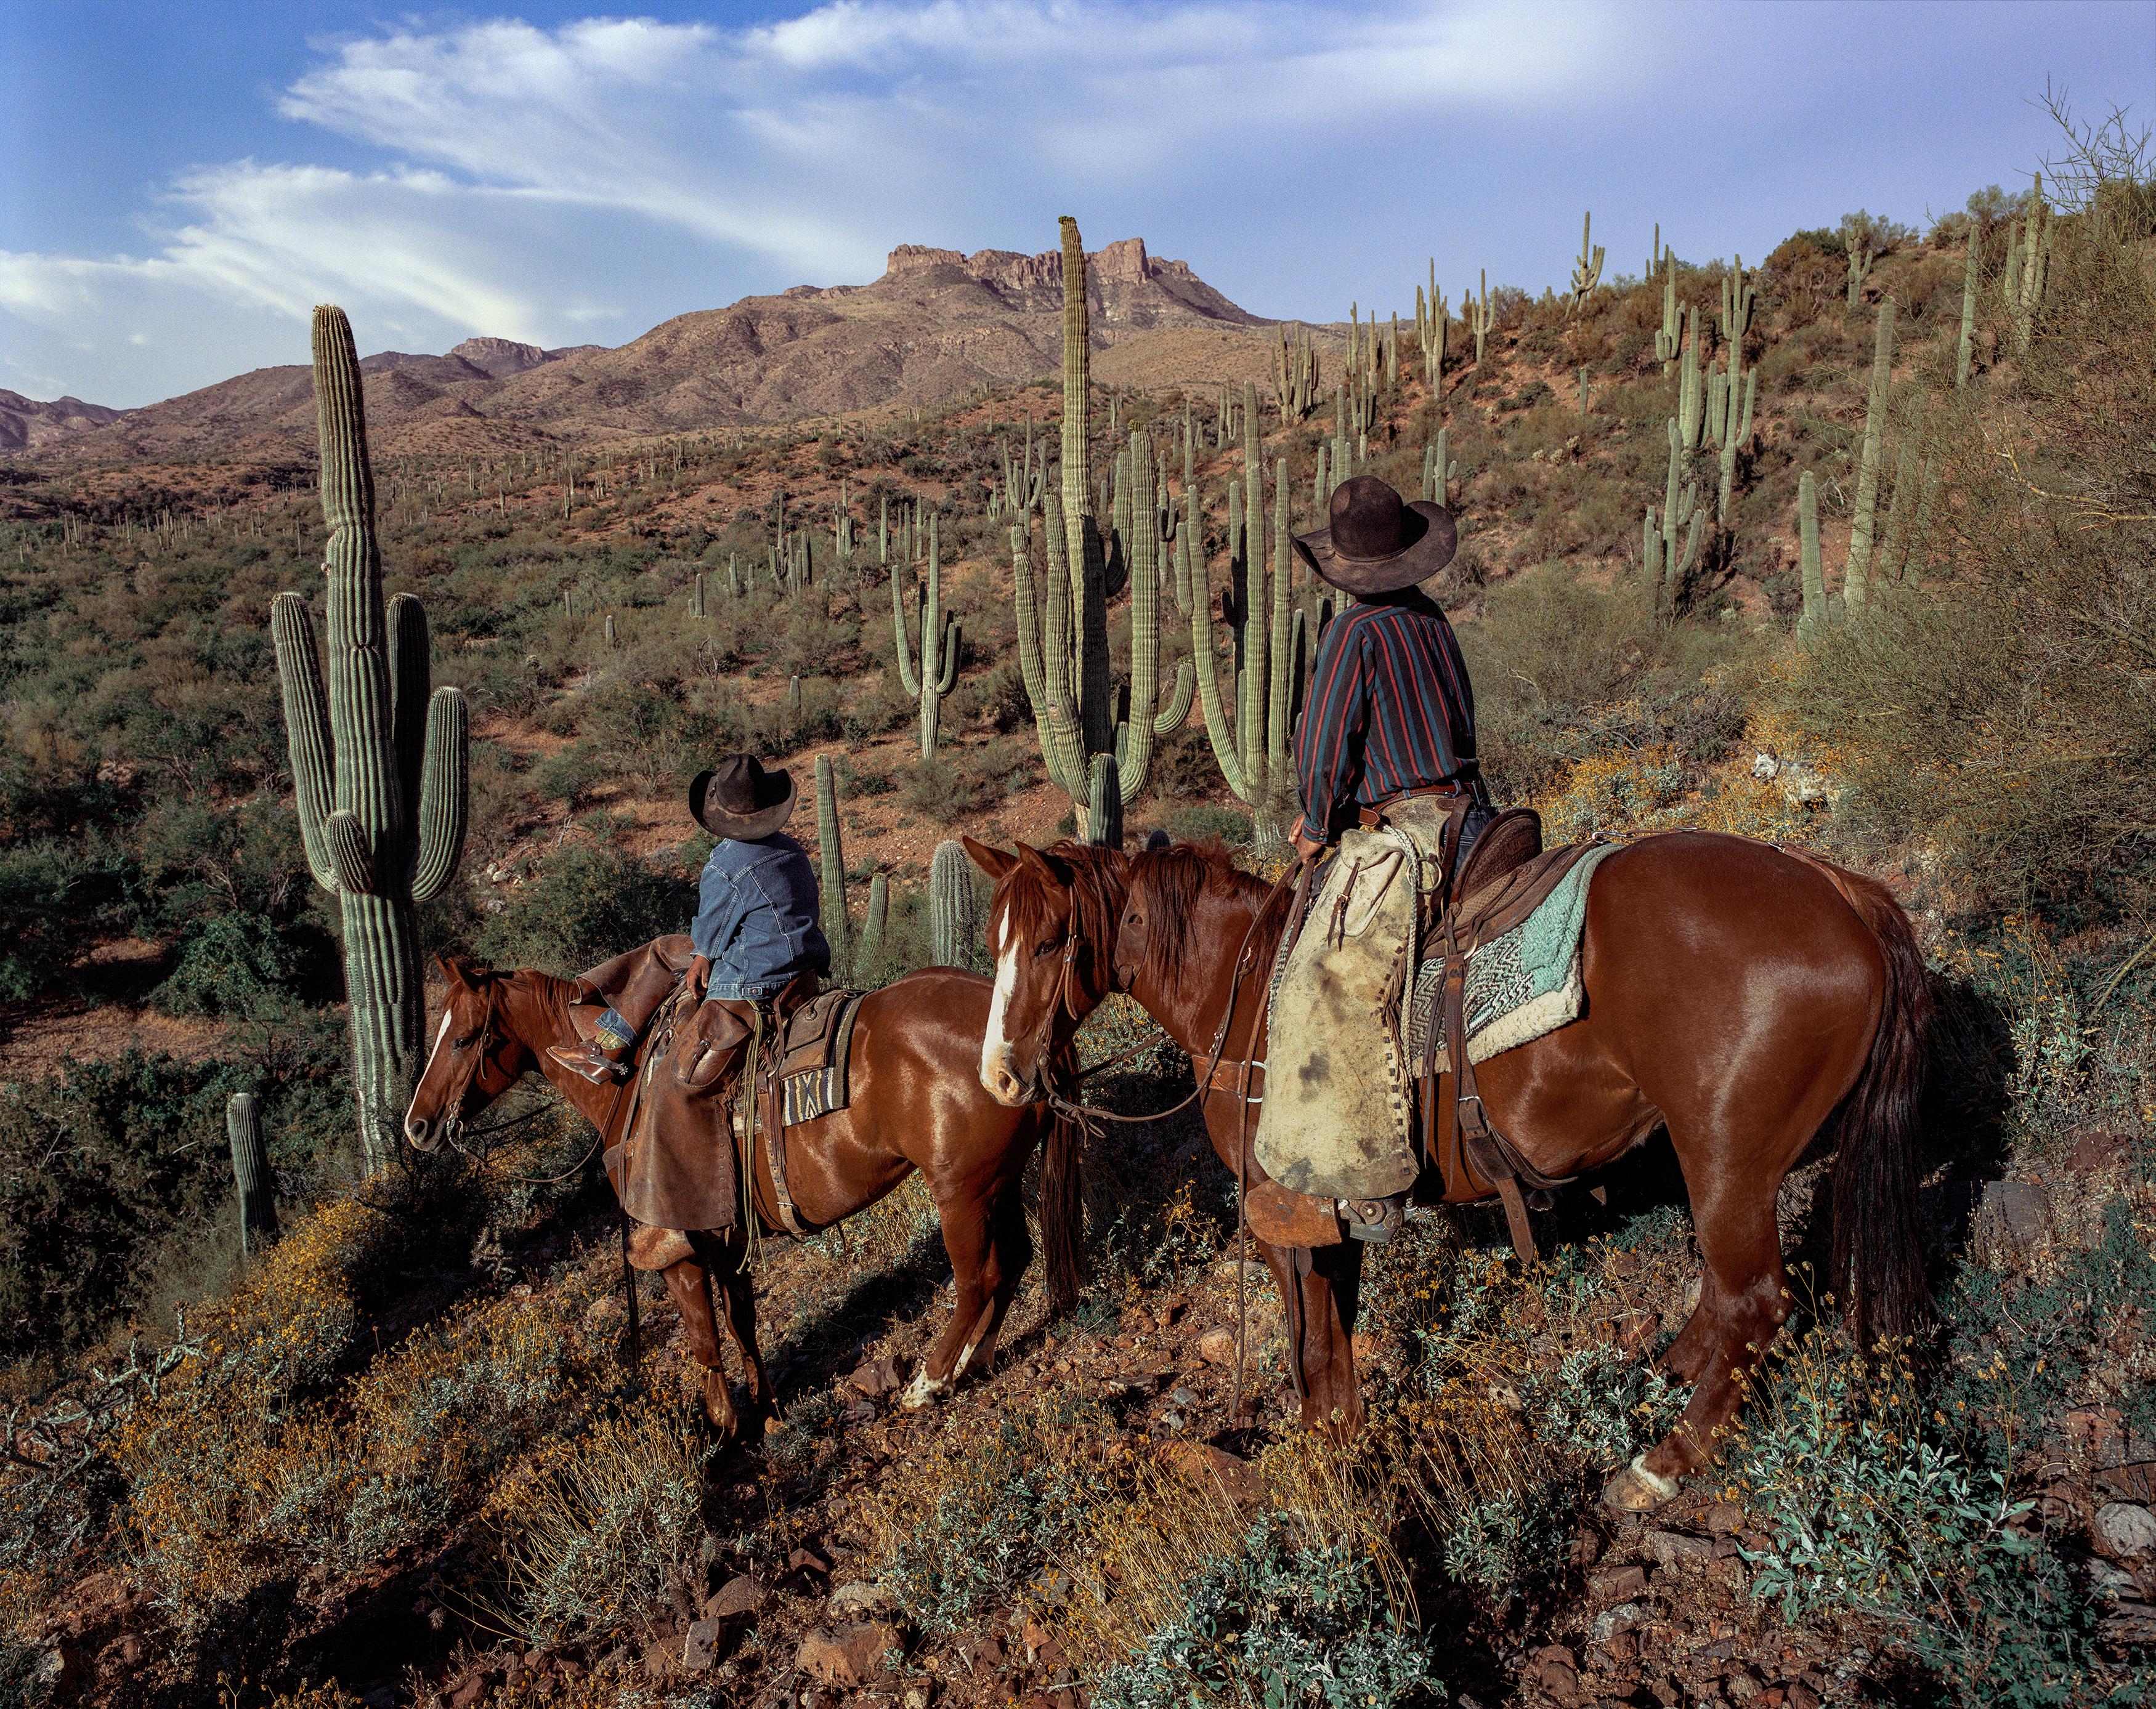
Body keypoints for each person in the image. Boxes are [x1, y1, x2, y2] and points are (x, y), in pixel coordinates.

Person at [548, 753, 829, 1084]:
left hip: (754, 977)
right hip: (803, 966)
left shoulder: (726, 866)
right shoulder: (792, 850)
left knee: (675, 1081)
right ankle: (610, 1041)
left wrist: (702, 958)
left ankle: (608, 1046)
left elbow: (711, 934)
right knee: (664, 948)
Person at [1289, 474, 1487, 863]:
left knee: (1317, 919)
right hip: (1475, 814)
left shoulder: (1352, 631)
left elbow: (1324, 743)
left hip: (1417, 829)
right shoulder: (1433, 618)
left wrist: (1316, 825)